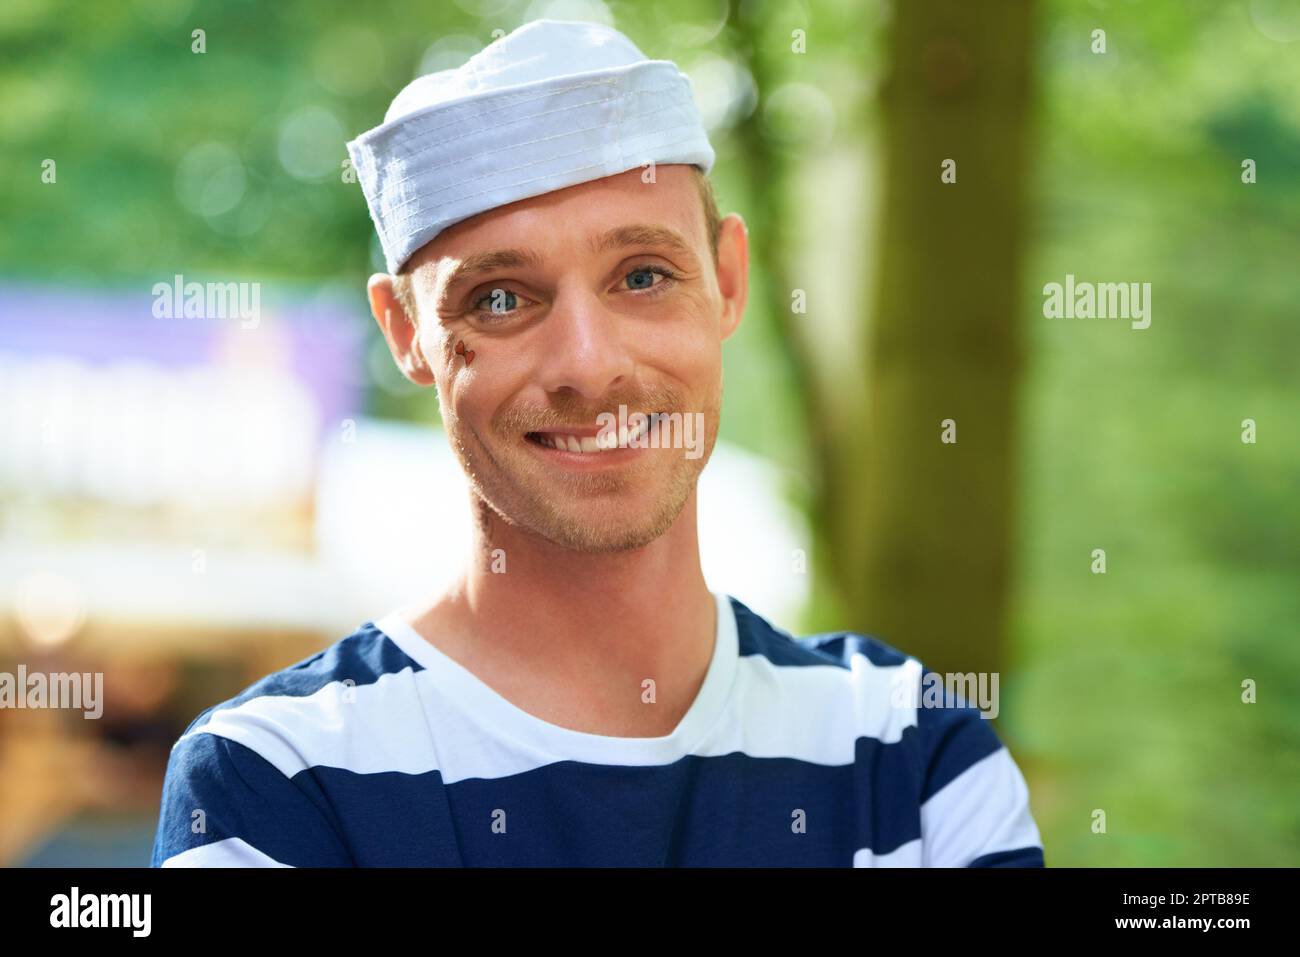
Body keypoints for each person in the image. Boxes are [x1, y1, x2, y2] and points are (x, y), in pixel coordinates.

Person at [151, 19, 1043, 867]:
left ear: (727, 281)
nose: (589, 364)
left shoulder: (910, 754)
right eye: (501, 297)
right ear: (407, 333)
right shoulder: (275, 779)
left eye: (644, 276)